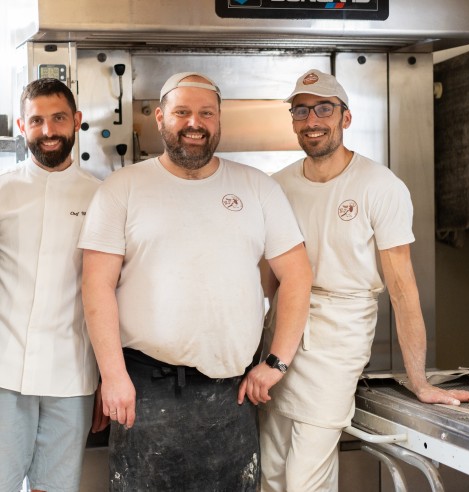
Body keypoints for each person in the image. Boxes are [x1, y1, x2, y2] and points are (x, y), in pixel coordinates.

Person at [79, 71, 312, 491]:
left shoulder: (257, 189)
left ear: (219, 120)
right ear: (160, 117)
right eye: (183, 111)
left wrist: (276, 363)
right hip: (142, 390)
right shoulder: (122, 189)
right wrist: (112, 376)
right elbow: (97, 286)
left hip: (232, 396)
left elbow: (296, 277)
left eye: (206, 113)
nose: (194, 122)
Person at [259, 69, 469, 492]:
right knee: (270, 468)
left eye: (324, 108)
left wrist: (419, 381)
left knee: (305, 478)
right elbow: (266, 282)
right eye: (301, 110)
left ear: (346, 117)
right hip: (281, 331)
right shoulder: (277, 186)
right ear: (292, 120)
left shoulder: (380, 186)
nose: (312, 120)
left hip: (338, 335)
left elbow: (402, 288)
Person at [0, 78, 107, 492]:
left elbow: (112, 295)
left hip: (72, 376)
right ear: (23, 128)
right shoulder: (4, 192)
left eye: (58, 118)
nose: (48, 131)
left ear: (76, 121)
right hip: (5, 372)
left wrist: (106, 378)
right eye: (37, 121)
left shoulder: (104, 198)